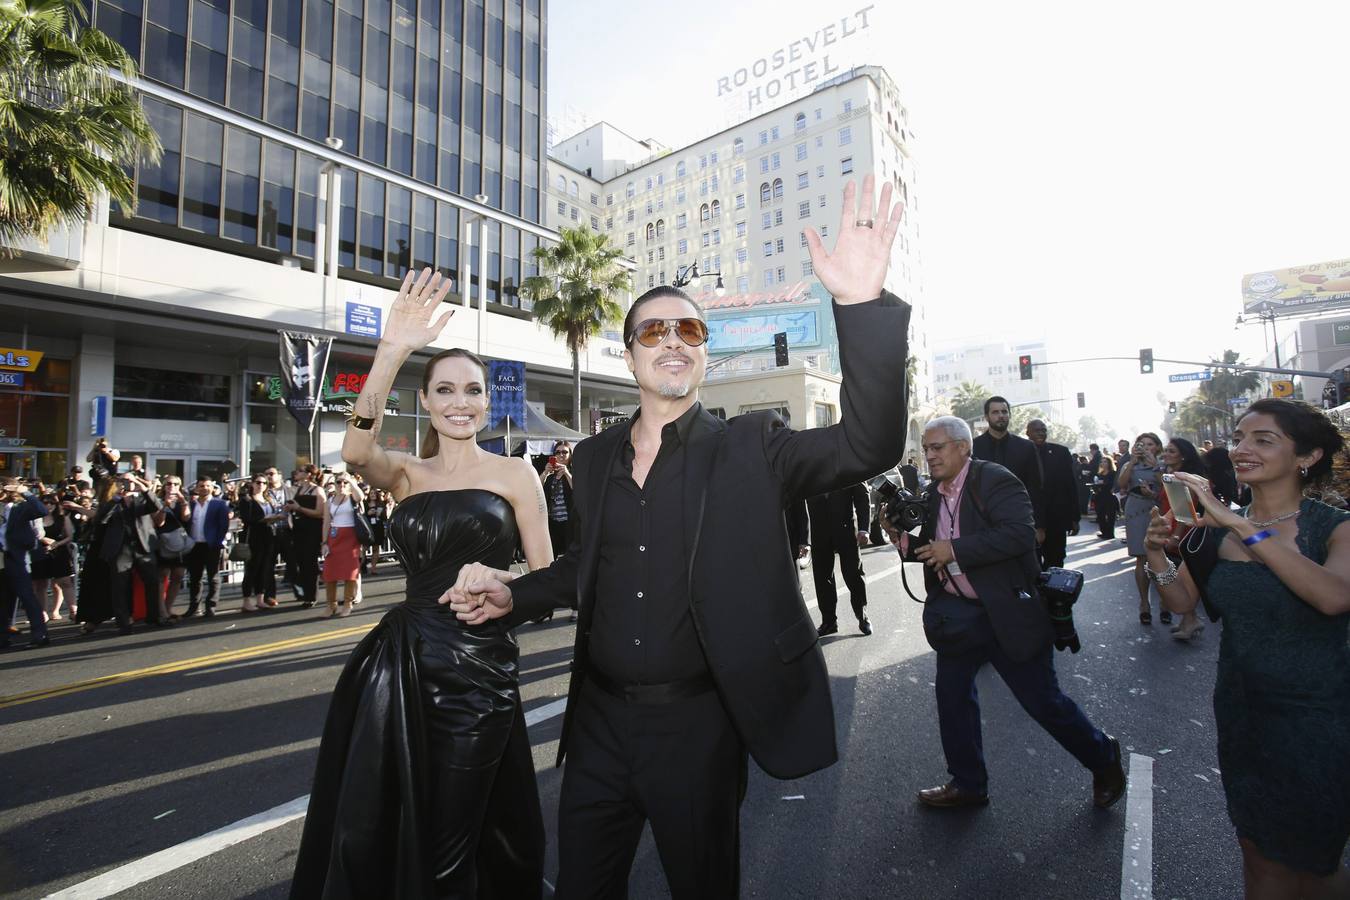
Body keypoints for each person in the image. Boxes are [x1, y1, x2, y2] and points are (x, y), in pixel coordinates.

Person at [446, 176, 909, 897]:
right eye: (653, 331)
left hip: (699, 730)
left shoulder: (753, 447)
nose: (671, 341)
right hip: (597, 728)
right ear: (629, 355)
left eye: (689, 331)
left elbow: (868, 444)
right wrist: (515, 595)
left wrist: (858, 305)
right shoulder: (592, 459)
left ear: (703, 356)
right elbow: (585, 568)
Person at [290, 270, 554, 899]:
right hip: (399, 667)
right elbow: (356, 453)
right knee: (387, 820)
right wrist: (392, 349)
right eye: (445, 390)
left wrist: (503, 579)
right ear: (428, 402)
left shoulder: (516, 474)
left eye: (473, 390)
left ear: (488, 402)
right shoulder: (405, 472)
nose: (460, 402)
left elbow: (548, 582)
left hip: (479, 674)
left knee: (450, 841)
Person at [1144, 399, 1349, 898]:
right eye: (1239, 438)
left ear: (1307, 457)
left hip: (1318, 719)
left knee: (1312, 864)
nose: (1241, 449)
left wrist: (1239, 525)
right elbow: (1183, 602)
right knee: (1257, 854)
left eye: (1263, 439)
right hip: (1242, 712)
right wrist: (1156, 555)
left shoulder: (1335, 528)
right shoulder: (1215, 531)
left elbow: (1333, 597)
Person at [887, 416, 1124, 810]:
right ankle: (968, 784)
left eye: (937, 447)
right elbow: (930, 548)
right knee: (952, 698)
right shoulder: (933, 494)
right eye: (926, 449)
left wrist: (955, 549)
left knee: (1043, 702)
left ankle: (1103, 757)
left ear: (963, 447)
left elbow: (1018, 534)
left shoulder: (995, 481)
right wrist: (900, 538)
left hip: (1008, 613)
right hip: (958, 617)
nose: (930, 455)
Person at [96, 472, 167, 631]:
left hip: (143, 546)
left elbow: (156, 506)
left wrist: (143, 488)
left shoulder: (142, 498)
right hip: (120, 547)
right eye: (123, 481)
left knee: (152, 582)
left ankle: (154, 616)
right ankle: (124, 622)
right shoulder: (112, 501)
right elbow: (101, 519)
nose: (127, 484)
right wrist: (117, 498)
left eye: (129, 481)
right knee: (119, 586)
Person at [972, 396, 1045, 546]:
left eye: (1004, 412)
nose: (1001, 416)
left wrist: (1039, 525)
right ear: (986, 417)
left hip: (1020, 521)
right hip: (982, 526)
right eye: (995, 412)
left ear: (1010, 415)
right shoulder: (973, 447)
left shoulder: (1026, 447)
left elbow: (1036, 488)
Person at [1157, 437, 1208, 641]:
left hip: (1183, 532)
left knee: (1181, 579)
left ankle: (1191, 620)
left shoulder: (1184, 478)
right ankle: (1188, 620)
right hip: (1173, 529)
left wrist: (1176, 536)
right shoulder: (1172, 475)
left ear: (1183, 456)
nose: (1166, 454)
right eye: (1166, 450)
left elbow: (1184, 510)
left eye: (1171, 451)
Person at [808, 483, 873, 636]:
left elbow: (862, 496)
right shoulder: (808, 470)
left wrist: (864, 528)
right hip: (818, 531)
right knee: (822, 578)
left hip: (846, 529)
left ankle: (862, 616)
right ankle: (829, 622)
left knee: (853, 574)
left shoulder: (846, 467)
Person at [1117, 433, 1164, 624]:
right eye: (1141, 444)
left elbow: (1168, 487)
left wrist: (1155, 466)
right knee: (1141, 558)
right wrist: (1131, 462)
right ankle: (1144, 603)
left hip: (1158, 509)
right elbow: (1121, 484)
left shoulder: (1163, 464)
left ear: (1157, 447)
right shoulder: (1130, 464)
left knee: (1162, 557)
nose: (1145, 448)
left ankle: (1166, 603)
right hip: (1136, 509)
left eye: (1150, 444)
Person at [1, 477, 52, 649]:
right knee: (3, 599)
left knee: (26, 596)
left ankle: (40, 635)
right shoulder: (2, 508)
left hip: (18, 557)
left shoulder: (21, 507)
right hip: (3, 557)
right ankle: (3, 636)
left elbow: (41, 510)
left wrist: (25, 491)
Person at [1025, 419, 1080, 569]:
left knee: (1056, 562)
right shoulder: (1020, 453)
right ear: (1028, 433)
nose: (1041, 433)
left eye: (1043, 430)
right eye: (1037, 430)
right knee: (1032, 565)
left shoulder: (1061, 452)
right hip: (1030, 520)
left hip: (1056, 520)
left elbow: (1071, 485)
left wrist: (1074, 518)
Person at [319, 474, 365, 618]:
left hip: (351, 538)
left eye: (345, 482)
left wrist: (351, 481)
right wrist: (324, 542)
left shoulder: (352, 498)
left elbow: (361, 496)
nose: (342, 485)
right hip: (334, 537)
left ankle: (347, 604)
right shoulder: (330, 501)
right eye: (339, 482)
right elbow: (326, 522)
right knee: (330, 572)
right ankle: (331, 604)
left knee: (350, 572)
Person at [182, 478, 229, 617]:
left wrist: (218, 541)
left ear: (212, 488)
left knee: (213, 576)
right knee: (194, 578)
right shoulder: (191, 504)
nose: (205, 488)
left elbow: (223, 525)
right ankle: (194, 606)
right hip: (194, 545)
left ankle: (211, 606)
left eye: (208, 486)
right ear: (197, 488)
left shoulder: (219, 504)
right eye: (202, 486)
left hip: (211, 545)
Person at [238, 477, 283, 613]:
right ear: (252, 484)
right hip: (254, 537)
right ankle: (246, 600)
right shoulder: (247, 500)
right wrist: (264, 519)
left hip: (268, 535)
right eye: (258, 482)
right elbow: (247, 518)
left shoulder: (268, 499)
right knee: (252, 568)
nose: (261, 485)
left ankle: (260, 598)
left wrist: (276, 517)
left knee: (264, 568)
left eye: (264, 483)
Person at [32, 492, 77, 622]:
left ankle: (73, 610)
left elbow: (69, 536)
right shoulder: (35, 518)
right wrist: (43, 540)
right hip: (40, 552)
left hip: (59, 552)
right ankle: (43, 612)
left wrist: (57, 544)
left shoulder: (62, 518)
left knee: (65, 582)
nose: (49, 505)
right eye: (45, 502)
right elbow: (31, 533)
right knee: (40, 584)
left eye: (52, 503)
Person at [285, 465, 325, 608]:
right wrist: (291, 508)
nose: (297, 473)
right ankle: (304, 593)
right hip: (298, 530)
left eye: (301, 471)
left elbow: (320, 512)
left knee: (309, 562)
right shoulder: (299, 489)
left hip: (312, 530)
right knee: (300, 562)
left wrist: (299, 508)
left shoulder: (317, 490)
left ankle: (311, 596)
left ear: (309, 474)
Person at [156, 477, 191, 620]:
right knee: (162, 575)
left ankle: (168, 607)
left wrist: (183, 501)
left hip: (179, 542)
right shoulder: (157, 501)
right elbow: (159, 522)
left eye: (176, 484)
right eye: (169, 484)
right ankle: (161, 610)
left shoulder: (183, 500)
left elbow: (186, 518)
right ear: (164, 486)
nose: (172, 486)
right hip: (162, 541)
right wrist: (165, 506)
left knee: (178, 575)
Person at [1093, 456, 1120, 539]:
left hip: (1110, 496)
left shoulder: (1113, 473)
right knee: (1100, 515)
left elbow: (1115, 484)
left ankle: (1110, 533)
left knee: (1110, 515)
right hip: (1100, 496)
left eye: (1105, 462)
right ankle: (1104, 531)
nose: (1103, 463)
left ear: (1109, 463)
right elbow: (1095, 484)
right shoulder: (1099, 474)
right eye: (1102, 462)